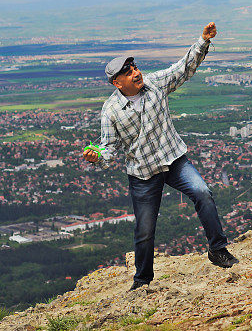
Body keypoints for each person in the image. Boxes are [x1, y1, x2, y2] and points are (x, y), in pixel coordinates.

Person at [83, 22, 238, 291]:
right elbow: (108, 148)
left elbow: (183, 68)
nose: (135, 73)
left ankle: (218, 249)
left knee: (203, 192)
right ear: (116, 83)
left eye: (134, 67)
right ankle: (142, 281)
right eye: (127, 72)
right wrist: (98, 158)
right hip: (143, 174)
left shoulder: (155, 85)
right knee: (144, 230)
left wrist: (203, 41)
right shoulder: (110, 112)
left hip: (173, 159)